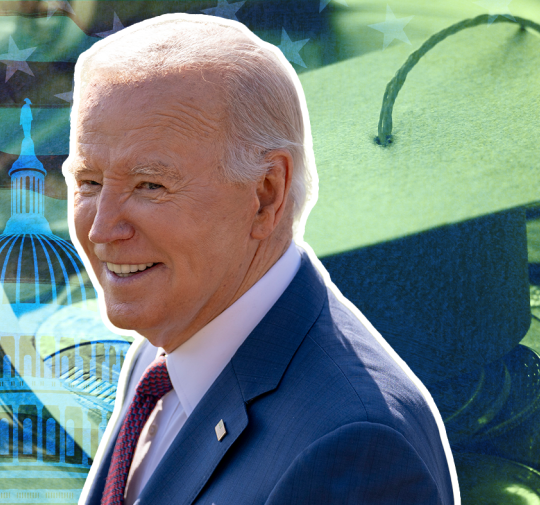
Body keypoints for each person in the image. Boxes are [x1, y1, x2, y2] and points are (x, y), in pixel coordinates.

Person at [64, 13, 456, 505]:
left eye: (150, 186)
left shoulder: (356, 447)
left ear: (266, 196)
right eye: (89, 183)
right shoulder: (169, 341)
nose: (101, 229)